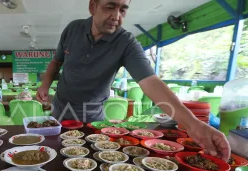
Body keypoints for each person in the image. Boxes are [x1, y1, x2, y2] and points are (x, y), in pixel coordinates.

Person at [36, 0, 230, 161]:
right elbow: (56, 61)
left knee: (90, 160)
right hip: (61, 109)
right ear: (93, 7)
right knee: (58, 157)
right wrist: (45, 85)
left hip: (93, 116)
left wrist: (193, 124)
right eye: (110, 7)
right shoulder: (72, 29)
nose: (116, 16)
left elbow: (151, 82)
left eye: (123, 9)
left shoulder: (126, 43)